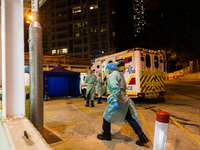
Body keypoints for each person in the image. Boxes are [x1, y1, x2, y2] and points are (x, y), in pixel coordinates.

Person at [97, 62, 149, 146]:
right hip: (124, 99)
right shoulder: (120, 74)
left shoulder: (112, 75)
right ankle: (142, 136)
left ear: (110, 69)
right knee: (130, 118)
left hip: (118, 99)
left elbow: (115, 88)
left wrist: (114, 100)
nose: (106, 70)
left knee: (106, 116)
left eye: (107, 69)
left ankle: (106, 135)